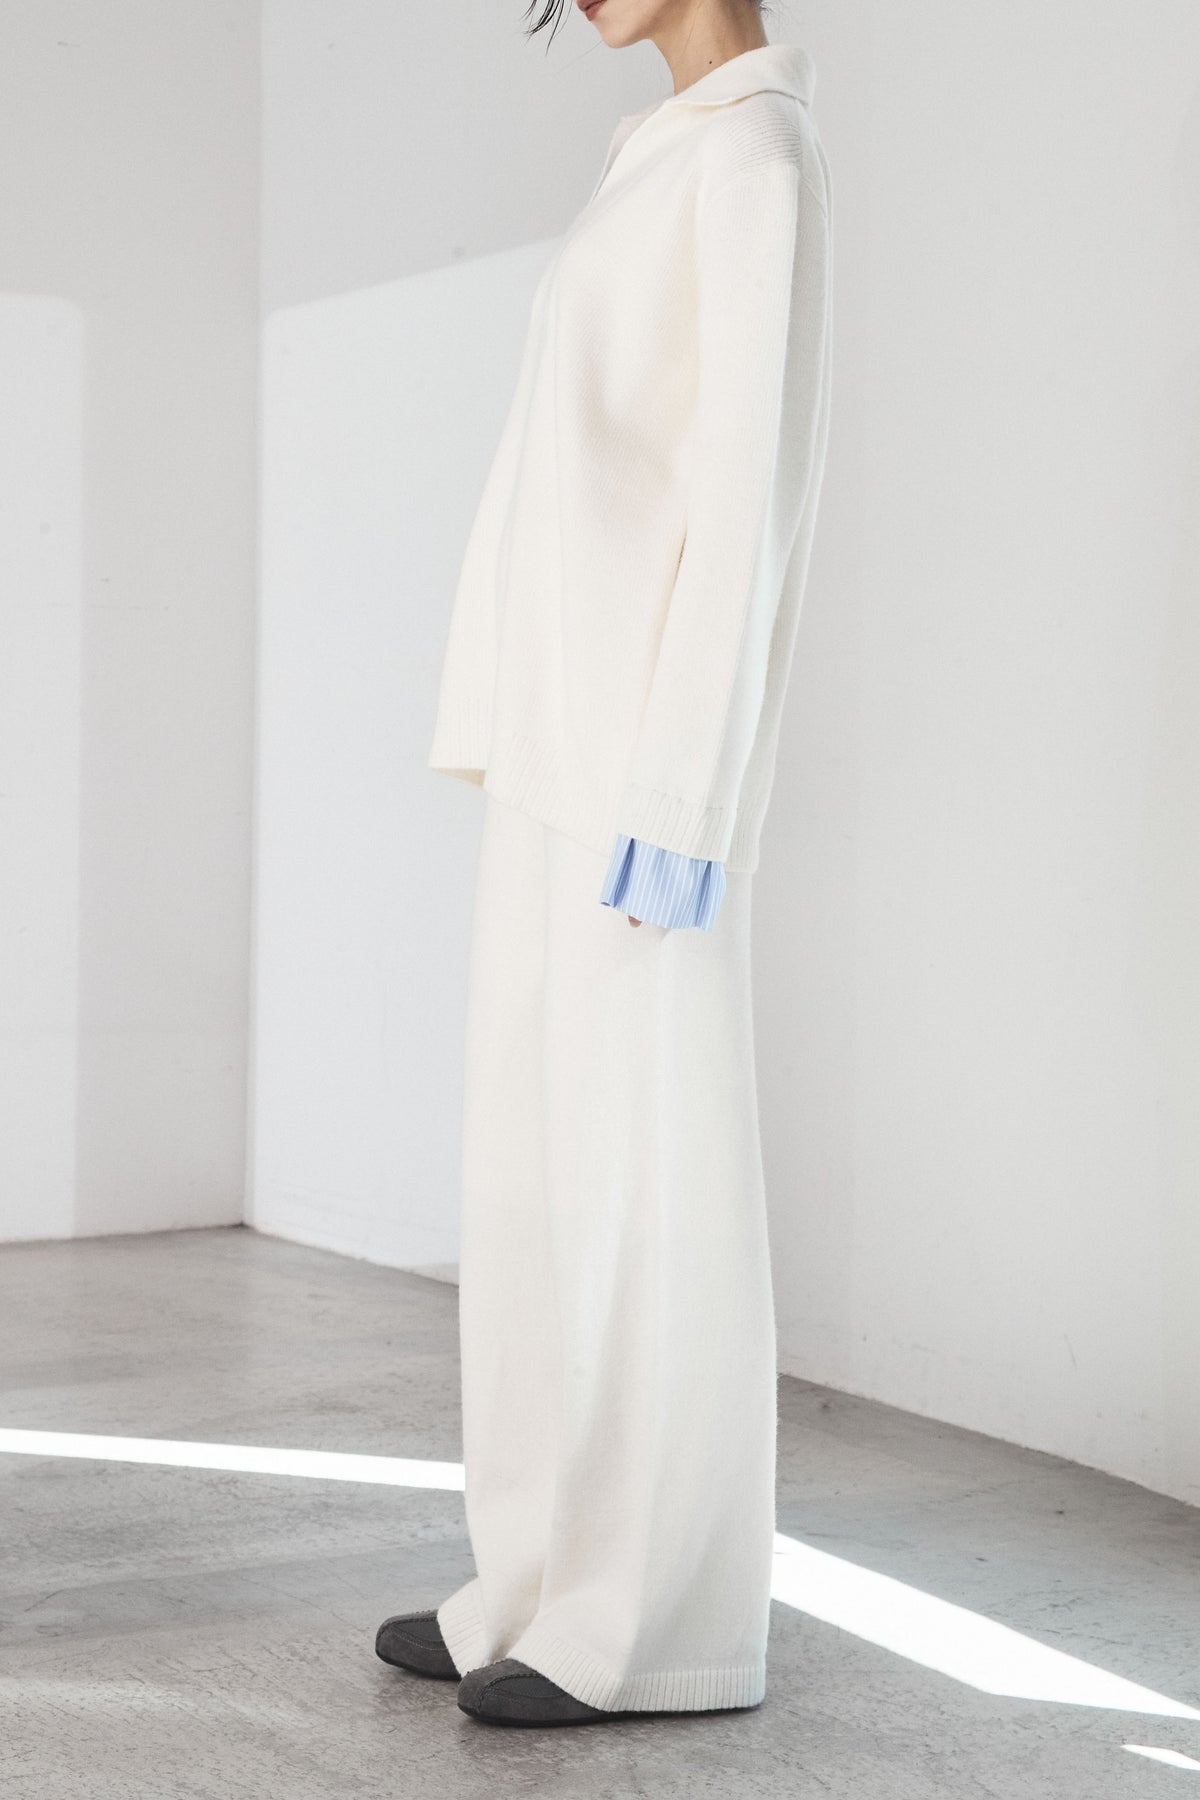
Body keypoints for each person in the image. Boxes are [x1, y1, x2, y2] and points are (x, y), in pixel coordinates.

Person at [377, 0, 833, 1728]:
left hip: (642, 775)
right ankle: (525, 1581)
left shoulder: (757, 158)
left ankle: (651, 1626)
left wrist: (686, 793)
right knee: (534, 1192)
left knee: (652, 1198)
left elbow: (747, 500)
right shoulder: (654, 152)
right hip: (550, 752)